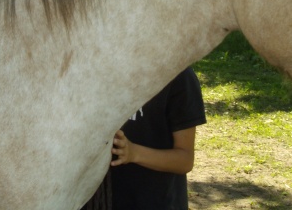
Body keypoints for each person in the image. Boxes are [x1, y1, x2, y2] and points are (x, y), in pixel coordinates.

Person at [82, 67, 206, 210]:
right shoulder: (99, 68)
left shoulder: (180, 75)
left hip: (154, 202)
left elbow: (185, 160)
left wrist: (133, 153)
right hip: (99, 201)